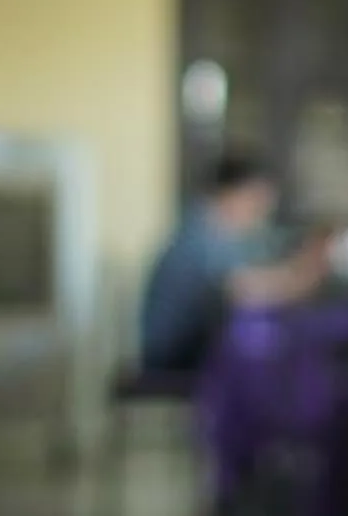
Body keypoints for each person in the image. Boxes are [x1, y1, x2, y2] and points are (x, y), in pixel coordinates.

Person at [135, 153, 327, 373]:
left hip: (188, 349)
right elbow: (239, 290)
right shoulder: (200, 233)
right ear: (235, 193)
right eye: (258, 202)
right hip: (172, 356)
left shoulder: (216, 233)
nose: (260, 215)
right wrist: (301, 276)